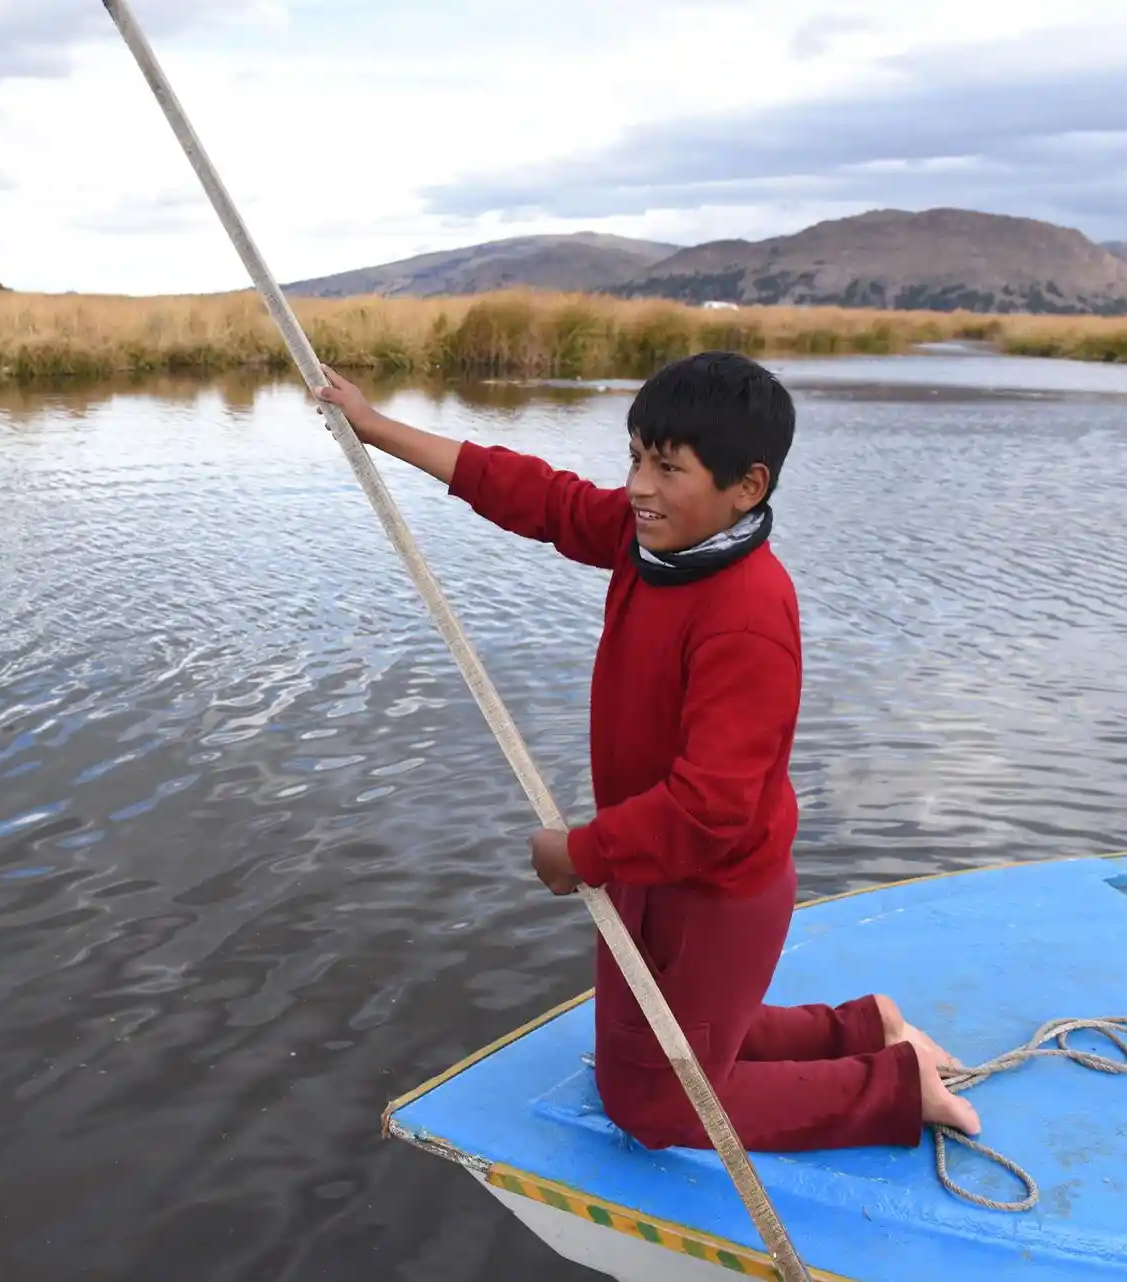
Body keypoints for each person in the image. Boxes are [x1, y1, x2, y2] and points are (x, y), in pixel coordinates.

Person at [313, 352, 979, 1152]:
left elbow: (713, 810)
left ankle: (898, 1086)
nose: (638, 487)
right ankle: (868, 1027)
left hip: (714, 895)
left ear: (748, 488)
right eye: (635, 458)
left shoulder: (748, 615)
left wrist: (582, 853)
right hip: (646, 861)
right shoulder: (648, 543)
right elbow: (542, 498)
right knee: (636, 1059)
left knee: (656, 1107)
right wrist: (376, 426)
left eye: (668, 468)